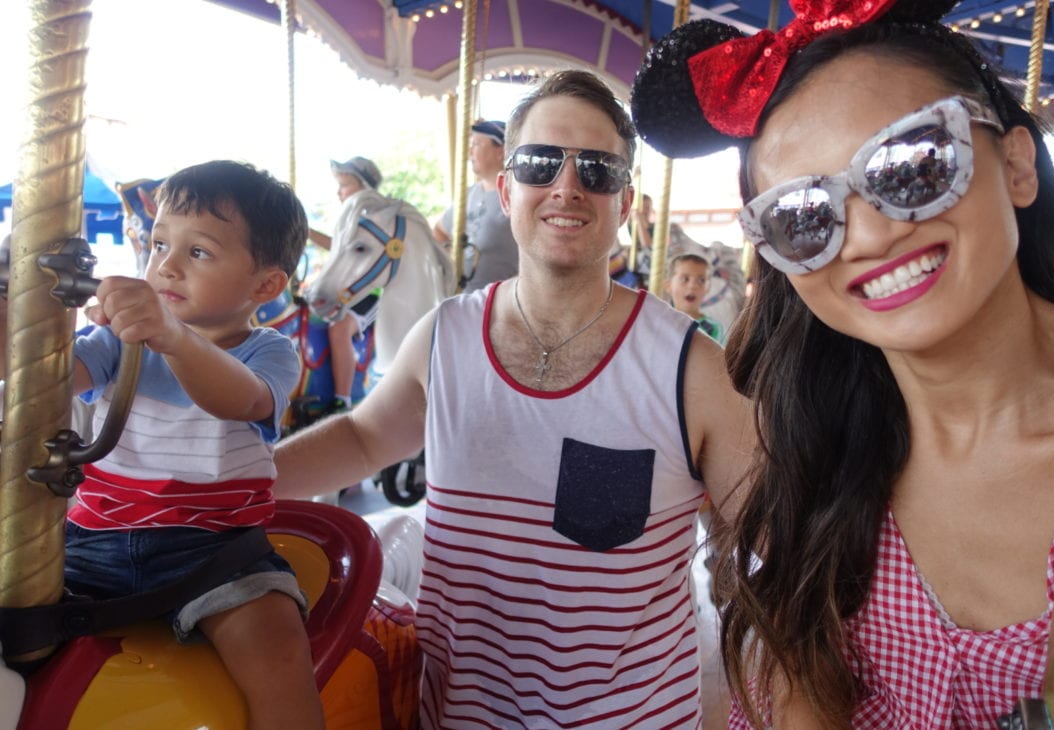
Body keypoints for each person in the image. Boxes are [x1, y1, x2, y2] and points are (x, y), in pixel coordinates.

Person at [632, 1, 1054, 727]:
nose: (867, 237)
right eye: (802, 216)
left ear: (1017, 165)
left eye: (912, 166)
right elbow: (795, 673)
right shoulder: (816, 434)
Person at [274, 69, 754, 728]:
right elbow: (362, 439)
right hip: (458, 714)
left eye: (597, 170)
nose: (566, 187)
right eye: (539, 164)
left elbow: (764, 537)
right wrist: (234, 487)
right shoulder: (443, 337)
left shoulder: (690, 367)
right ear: (506, 189)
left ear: (624, 201)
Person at [66, 160, 322, 729]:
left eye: (198, 252)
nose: (166, 265)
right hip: (91, 540)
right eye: (159, 244)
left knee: (279, 653)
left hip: (213, 552)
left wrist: (173, 337)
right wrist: (29, 322)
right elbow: (49, 380)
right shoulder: (116, 341)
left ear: (265, 286)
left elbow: (239, 399)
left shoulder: (268, 352)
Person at [311, 156, 384, 411]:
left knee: (339, 329)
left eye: (344, 185)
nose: (338, 192)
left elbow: (340, 250)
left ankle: (342, 399)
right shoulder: (349, 219)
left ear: (365, 186)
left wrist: (307, 232)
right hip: (346, 293)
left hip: (371, 294)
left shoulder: (375, 219)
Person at [432, 119, 520, 291]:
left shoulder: (517, 197)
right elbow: (439, 232)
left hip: (500, 300)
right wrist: (450, 258)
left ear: (501, 152)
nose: (469, 152)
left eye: (476, 144)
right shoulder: (468, 195)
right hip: (462, 296)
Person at [663, 252, 727, 345]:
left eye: (701, 280)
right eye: (685, 279)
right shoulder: (660, 321)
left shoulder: (713, 328)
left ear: (708, 288)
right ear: (668, 285)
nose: (693, 286)